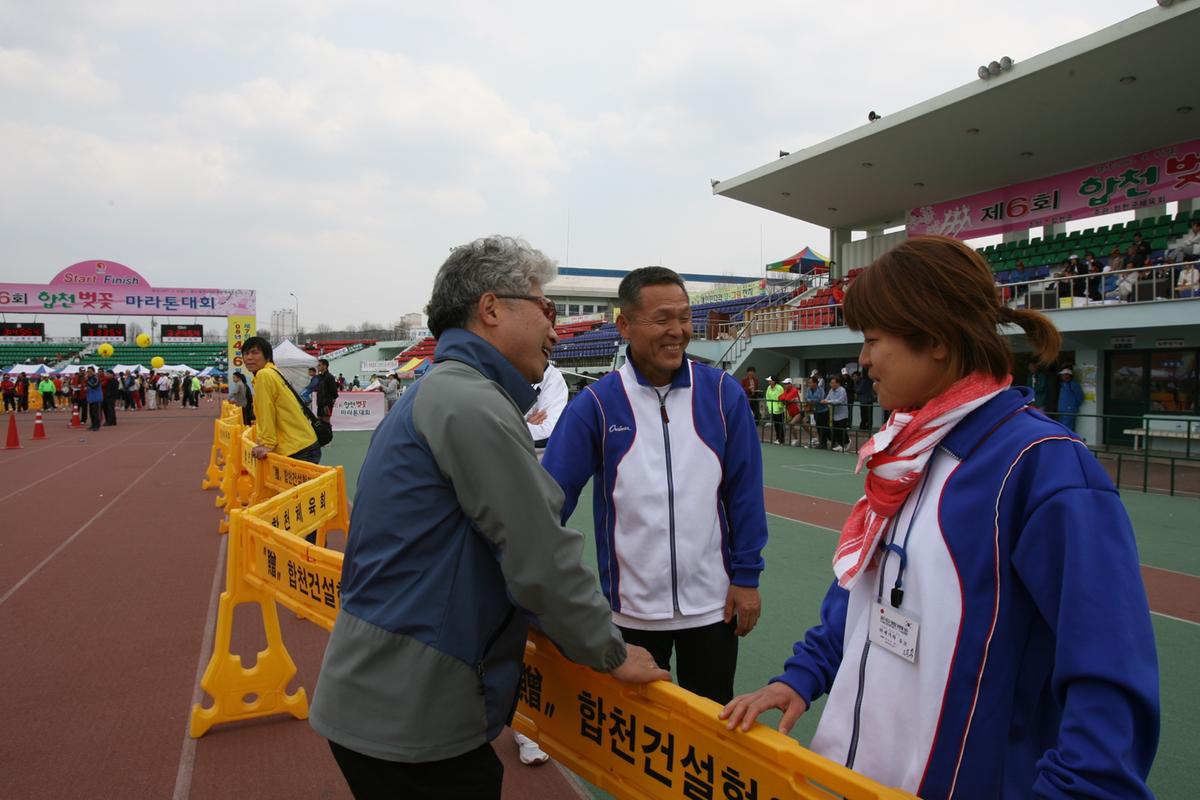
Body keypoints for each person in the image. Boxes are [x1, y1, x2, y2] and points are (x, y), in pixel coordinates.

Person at [720, 234, 1158, 799]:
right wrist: (802, 677)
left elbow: (1110, 678)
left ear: (937, 342)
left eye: (874, 340)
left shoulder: (1043, 468)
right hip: (854, 775)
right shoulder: (907, 448)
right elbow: (866, 591)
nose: (863, 359)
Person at [309, 236, 668, 799]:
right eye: (545, 308)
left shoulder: (440, 391)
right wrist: (609, 649)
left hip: (387, 694)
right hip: (414, 711)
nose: (556, 329)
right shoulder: (470, 403)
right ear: (492, 308)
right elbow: (537, 553)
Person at [542, 265, 768, 707]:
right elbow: (547, 505)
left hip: (713, 607)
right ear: (624, 324)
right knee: (634, 734)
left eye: (684, 318)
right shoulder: (595, 406)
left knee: (711, 726)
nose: (677, 331)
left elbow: (744, 494)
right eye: (662, 318)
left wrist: (747, 577)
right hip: (631, 614)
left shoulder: (724, 395)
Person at [240, 336, 321, 465]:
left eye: (255, 352)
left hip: (296, 449)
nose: (249, 357)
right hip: (304, 443)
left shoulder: (264, 375)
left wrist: (267, 444)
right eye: (245, 353)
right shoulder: (273, 372)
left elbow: (266, 411)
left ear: (267, 356)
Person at [821, 375, 850, 452]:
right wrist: (824, 401)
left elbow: (839, 401)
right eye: (831, 383)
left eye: (833, 383)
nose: (831, 384)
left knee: (842, 430)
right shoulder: (831, 390)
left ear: (838, 383)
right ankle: (840, 444)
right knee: (836, 430)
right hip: (835, 414)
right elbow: (828, 398)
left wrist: (828, 401)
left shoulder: (842, 390)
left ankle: (845, 443)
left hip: (842, 414)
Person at [1056, 366, 1084, 432]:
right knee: (1062, 427)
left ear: (1067, 376)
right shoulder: (1063, 385)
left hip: (1069, 411)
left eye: (1063, 375)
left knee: (1067, 428)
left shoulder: (1074, 385)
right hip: (1062, 410)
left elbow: (1080, 397)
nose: (1061, 376)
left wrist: (1072, 406)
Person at [804, 376, 827, 448]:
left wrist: (811, 400)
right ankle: (821, 443)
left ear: (815, 383)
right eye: (808, 383)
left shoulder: (821, 389)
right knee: (818, 427)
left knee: (824, 428)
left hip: (823, 411)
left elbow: (820, 398)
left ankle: (825, 443)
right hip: (815, 411)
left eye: (810, 383)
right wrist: (812, 400)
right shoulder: (808, 389)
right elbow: (806, 397)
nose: (809, 384)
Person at [779, 377, 802, 446]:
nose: (784, 385)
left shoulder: (794, 390)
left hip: (798, 411)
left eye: (786, 384)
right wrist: (785, 400)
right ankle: (814, 438)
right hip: (792, 412)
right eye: (784, 384)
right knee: (806, 427)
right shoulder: (786, 391)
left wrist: (786, 400)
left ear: (790, 384)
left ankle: (796, 439)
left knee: (791, 424)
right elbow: (780, 397)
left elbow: (786, 398)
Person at [315, 358, 339, 423]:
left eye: (319, 365)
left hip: (326, 405)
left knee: (326, 422)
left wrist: (329, 404)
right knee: (319, 422)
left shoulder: (330, 377)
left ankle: (328, 433)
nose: (318, 367)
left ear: (325, 366)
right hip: (320, 404)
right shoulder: (319, 377)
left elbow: (334, 393)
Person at [764, 375, 785, 444]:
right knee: (776, 424)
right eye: (769, 381)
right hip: (772, 409)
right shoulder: (769, 387)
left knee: (780, 425)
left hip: (779, 410)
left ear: (774, 381)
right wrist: (769, 406)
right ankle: (778, 438)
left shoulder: (779, 387)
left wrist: (779, 406)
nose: (769, 382)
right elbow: (767, 397)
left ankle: (781, 439)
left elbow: (781, 397)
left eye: (770, 381)